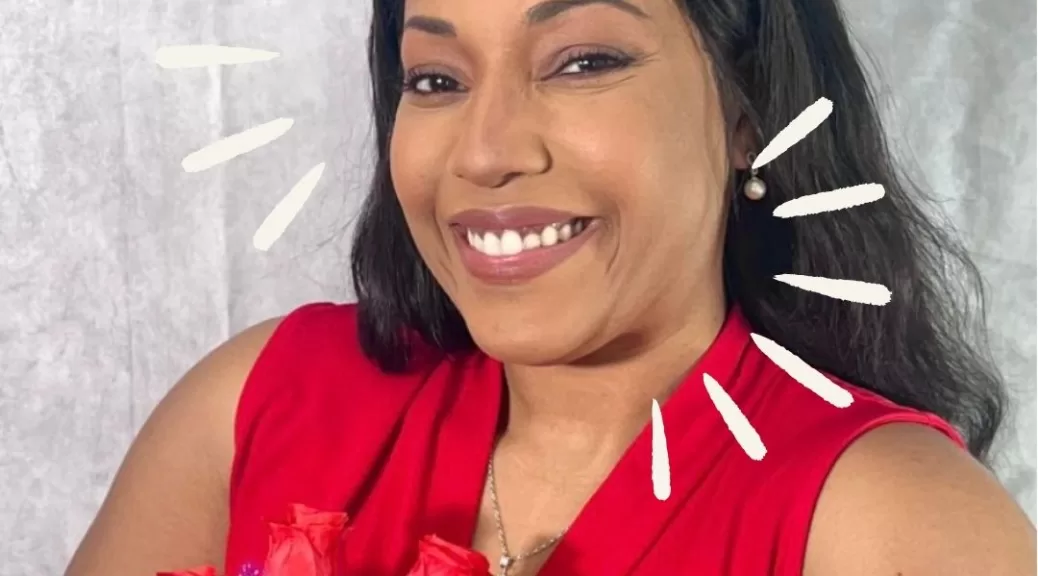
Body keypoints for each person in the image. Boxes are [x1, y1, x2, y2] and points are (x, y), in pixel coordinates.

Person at [66, 0, 1036, 574]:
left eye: (583, 62)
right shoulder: (257, 403)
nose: (485, 153)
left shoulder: (891, 522)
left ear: (749, 113)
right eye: (436, 79)